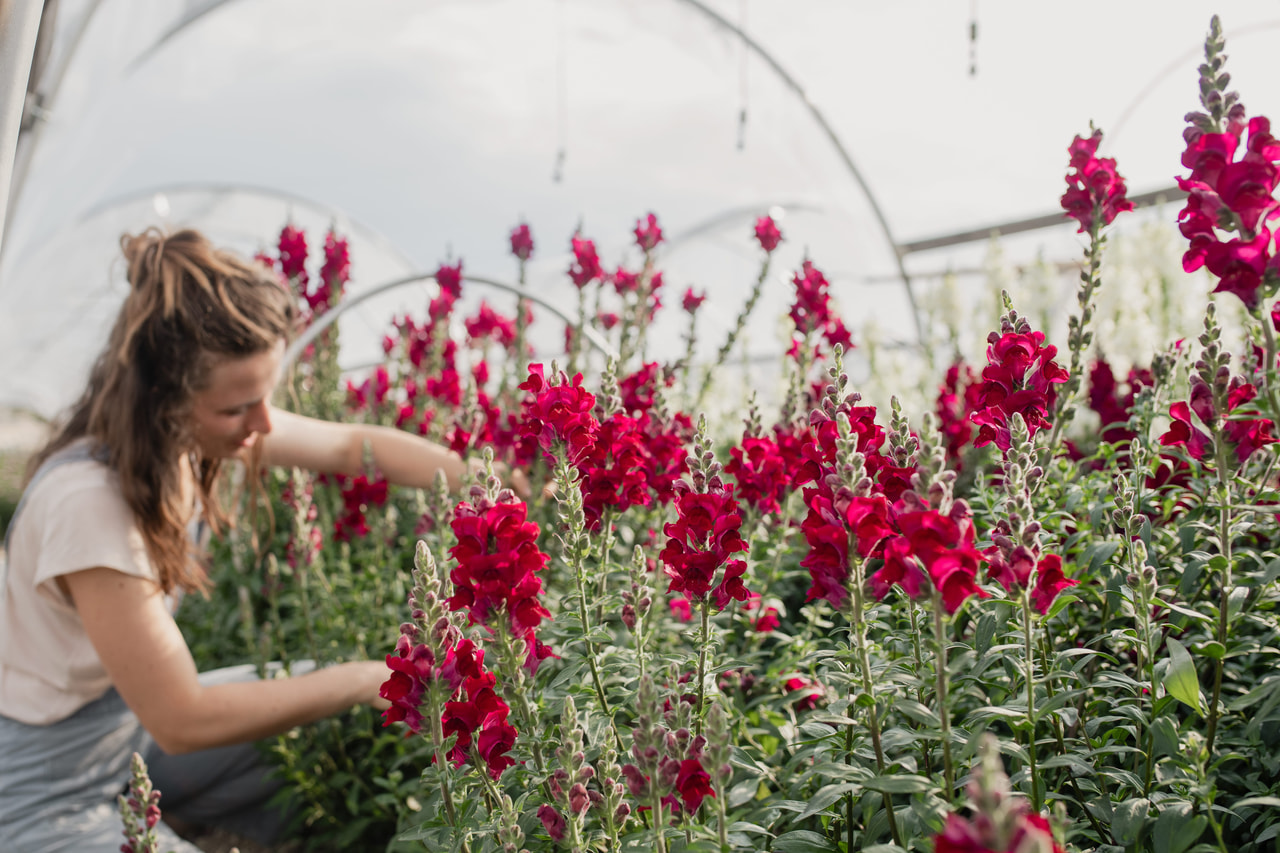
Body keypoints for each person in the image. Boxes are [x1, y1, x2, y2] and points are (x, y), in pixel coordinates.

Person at [0, 228, 520, 851]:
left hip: (126, 734)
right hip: (42, 788)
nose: (264, 424)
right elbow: (182, 719)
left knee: (319, 711)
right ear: (162, 399)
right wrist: (369, 677)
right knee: (339, 689)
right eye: (238, 408)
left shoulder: (186, 436)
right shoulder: (88, 504)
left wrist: (494, 485)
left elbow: (348, 447)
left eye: (265, 396)